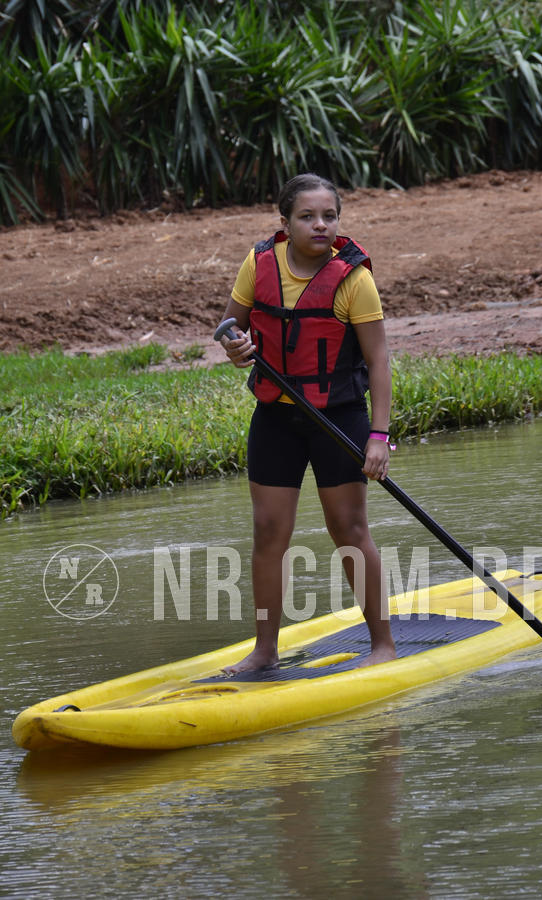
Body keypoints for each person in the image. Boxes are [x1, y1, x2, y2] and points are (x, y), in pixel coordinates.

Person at [218, 172, 397, 673]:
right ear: (285, 221)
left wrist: (379, 437)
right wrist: (237, 347)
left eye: (329, 215)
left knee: (349, 528)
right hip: (276, 416)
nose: (320, 225)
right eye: (307, 216)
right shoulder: (259, 265)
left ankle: (382, 643)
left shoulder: (354, 279)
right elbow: (232, 326)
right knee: (268, 531)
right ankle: (264, 650)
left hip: (338, 418)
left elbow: (379, 360)